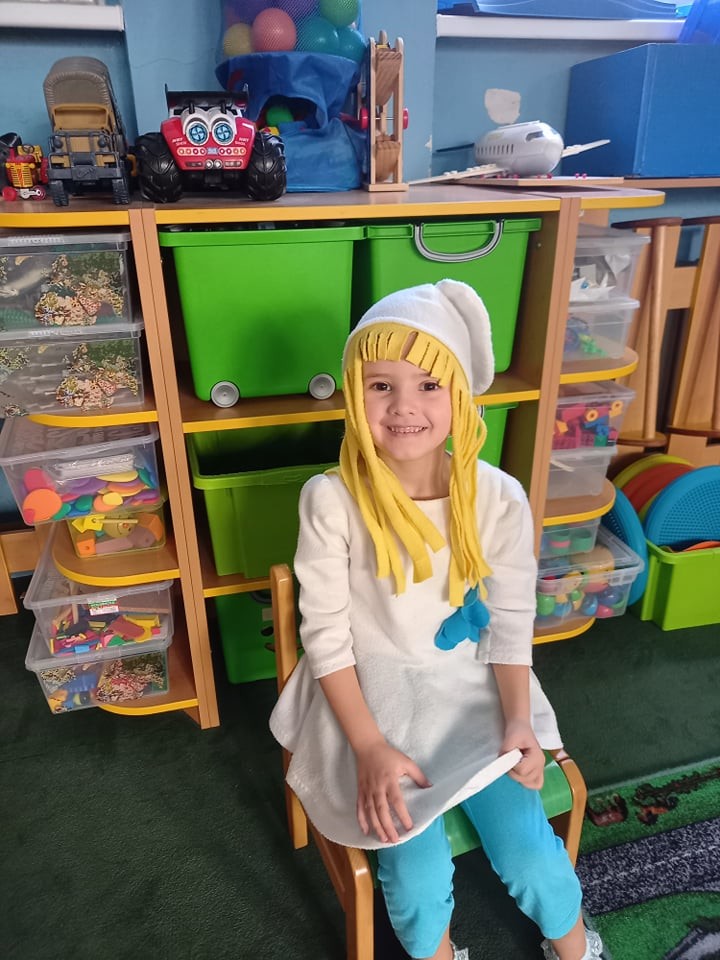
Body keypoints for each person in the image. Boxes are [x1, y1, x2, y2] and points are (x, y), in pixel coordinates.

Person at [269, 280, 604, 960]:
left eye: (428, 385)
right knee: (416, 881)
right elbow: (326, 637)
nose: (404, 406)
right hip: (370, 702)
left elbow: (510, 618)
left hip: (475, 693)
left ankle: (576, 948)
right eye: (381, 385)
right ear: (354, 393)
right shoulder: (330, 499)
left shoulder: (498, 497)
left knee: (532, 855)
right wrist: (368, 748)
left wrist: (518, 718)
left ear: (460, 397)